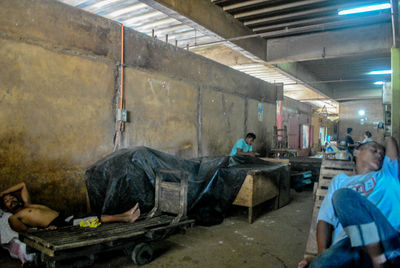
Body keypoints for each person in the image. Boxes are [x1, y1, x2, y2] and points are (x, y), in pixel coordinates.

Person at [298, 137, 400, 268]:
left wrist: (382, 141)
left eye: (381, 152)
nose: (379, 154)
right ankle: (378, 261)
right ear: (356, 152)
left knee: (343, 196)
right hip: (350, 244)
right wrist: (322, 256)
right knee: (319, 265)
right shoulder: (340, 180)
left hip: (388, 240)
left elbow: (391, 141)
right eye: (374, 150)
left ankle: (379, 260)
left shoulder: (387, 173)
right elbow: (325, 220)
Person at [0, 182, 141, 232]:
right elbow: (26, 232)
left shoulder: (27, 205)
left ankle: (125, 214)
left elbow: (22, 184)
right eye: (7, 201)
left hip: (64, 219)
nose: (11, 199)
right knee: (95, 218)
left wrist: (2, 193)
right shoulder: (14, 218)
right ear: (5, 208)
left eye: (11, 196)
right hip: (60, 226)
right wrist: (45, 230)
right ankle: (126, 218)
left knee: (92, 216)